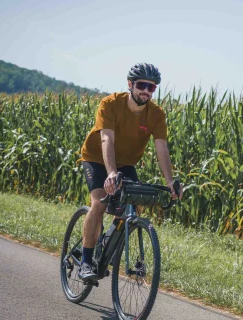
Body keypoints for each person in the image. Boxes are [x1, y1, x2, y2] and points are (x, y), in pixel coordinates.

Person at [77, 62, 181, 280]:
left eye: (152, 88)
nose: (146, 91)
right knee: (99, 203)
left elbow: (162, 149)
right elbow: (107, 139)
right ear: (130, 84)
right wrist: (111, 173)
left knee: (133, 206)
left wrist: (170, 182)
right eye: (142, 85)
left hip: (126, 164)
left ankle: (105, 240)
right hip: (97, 158)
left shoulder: (156, 115)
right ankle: (86, 262)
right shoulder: (111, 104)